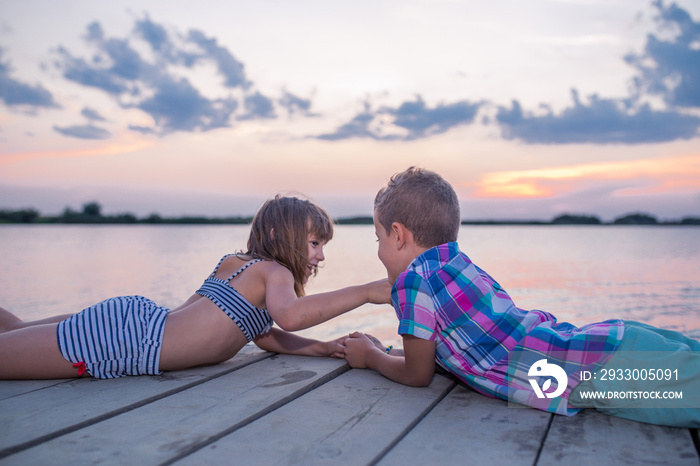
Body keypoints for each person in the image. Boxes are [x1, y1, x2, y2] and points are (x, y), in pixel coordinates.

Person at [344, 167, 700, 428]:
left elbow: (417, 374)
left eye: (378, 239)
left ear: (397, 235)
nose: (379, 252)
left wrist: (372, 356)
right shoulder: (460, 265)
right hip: (605, 342)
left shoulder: (412, 281)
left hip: (597, 373)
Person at [0, 195, 391, 380]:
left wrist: (322, 347)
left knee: (16, 330)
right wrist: (367, 292)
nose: (321, 256)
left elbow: (266, 336)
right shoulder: (275, 272)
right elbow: (290, 317)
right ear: (278, 235)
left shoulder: (239, 266)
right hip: (130, 341)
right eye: (315, 243)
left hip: (134, 325)